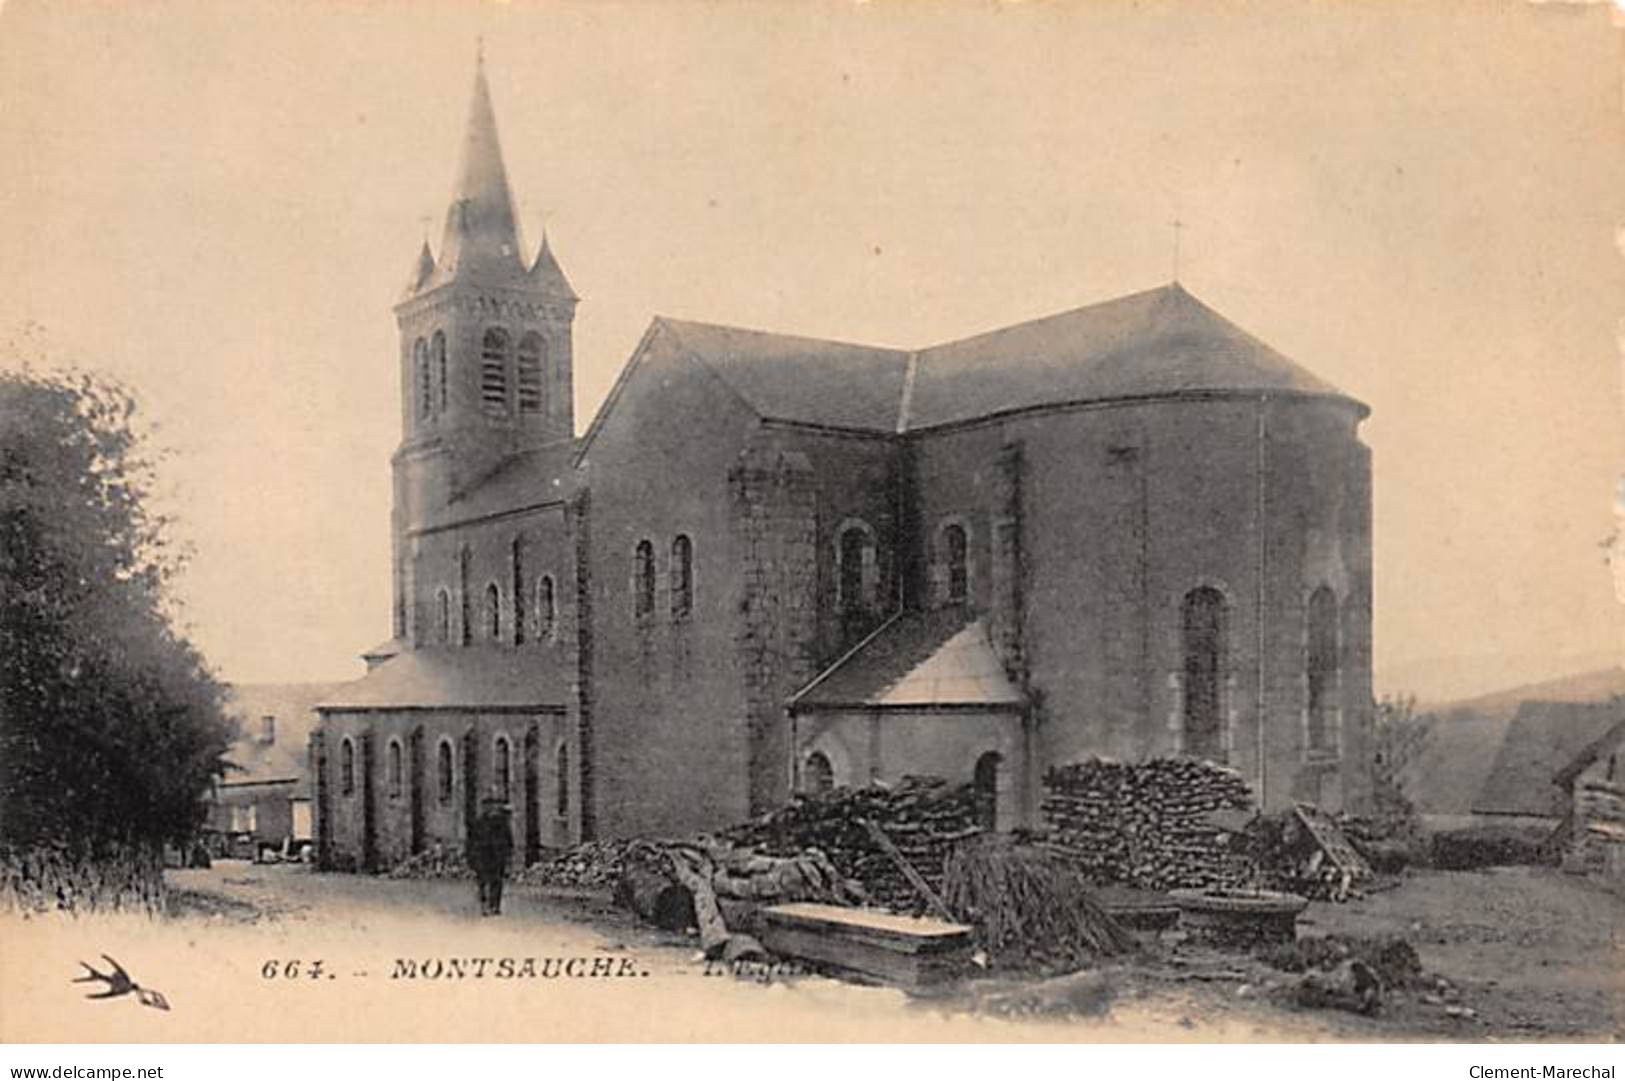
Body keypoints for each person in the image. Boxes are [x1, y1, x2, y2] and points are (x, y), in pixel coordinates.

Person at [467, 796, 514, 916]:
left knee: (497, 881)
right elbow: (471, 841)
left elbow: (508, 839)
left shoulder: (501, 822)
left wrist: (508, 855)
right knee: (483, 881)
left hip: (498, 856)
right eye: (487, 806)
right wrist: (471, 857)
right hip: (482, 856)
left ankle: (495, 906)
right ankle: (484, 905)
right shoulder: (478, 822)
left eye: (492, 806)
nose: (490, 809)